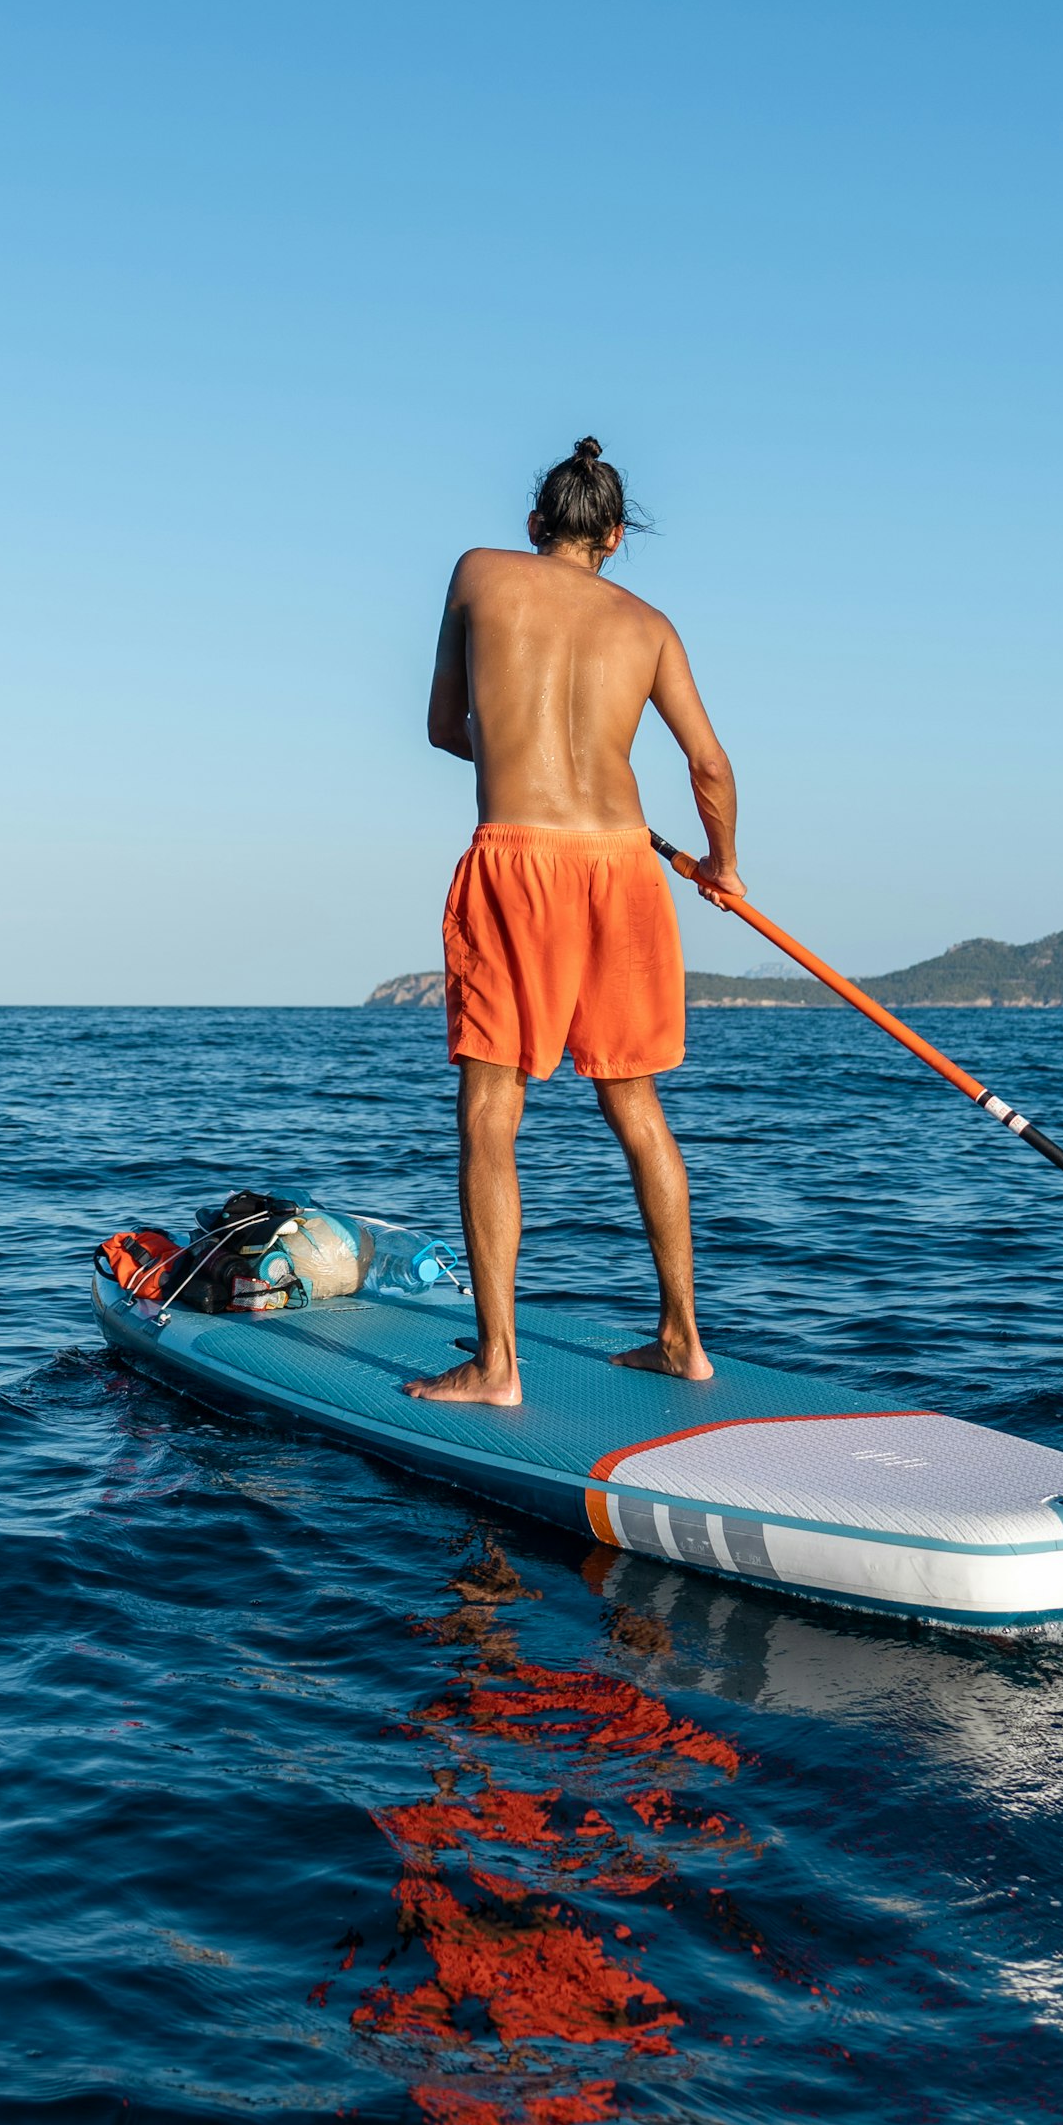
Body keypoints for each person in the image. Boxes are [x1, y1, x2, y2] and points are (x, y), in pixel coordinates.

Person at [404, 437, 741, 1408]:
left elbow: (441, 727)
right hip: (625, 868)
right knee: (636, 1108)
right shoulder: (651, 626)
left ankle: (499, 1363)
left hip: (521, 859)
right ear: (619, 537)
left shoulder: (479, 573)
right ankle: (683, 1338)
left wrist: (512, 746)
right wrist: (719, 866)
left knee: (492, 1108)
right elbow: (710, 767)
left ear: (535, 525)